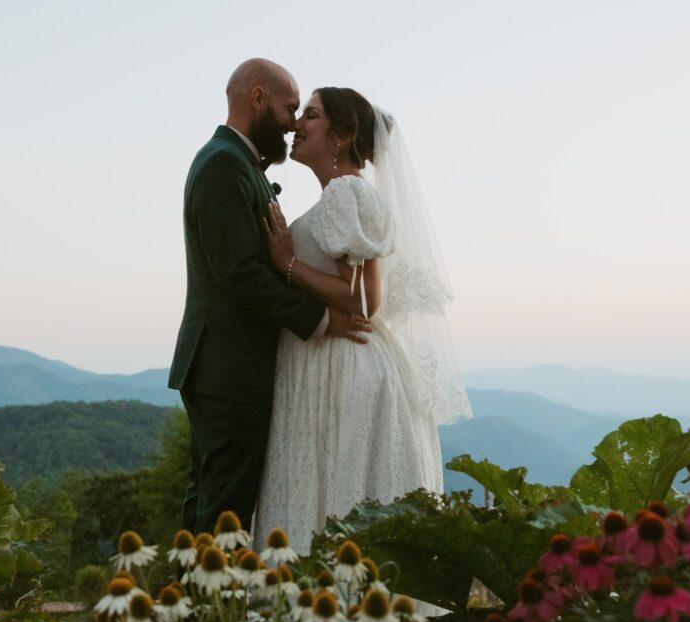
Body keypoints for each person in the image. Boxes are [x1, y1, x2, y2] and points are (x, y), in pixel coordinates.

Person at [256, 87, 472, 553]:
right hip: (333, 359)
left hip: (342, 366)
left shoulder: (345, 191)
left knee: (335, 490)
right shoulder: (344, 193)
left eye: (310, 116)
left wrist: (287, 265)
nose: (297, 125)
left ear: (342, 135)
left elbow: (364, 297)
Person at [168, 60, 372, 537]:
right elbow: (239, 273)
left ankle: (193, 605)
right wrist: (322, 319)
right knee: (224, 512)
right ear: (257, 99)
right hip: (227, 366)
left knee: (212, 503)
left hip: (227, 365)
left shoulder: (238, 164)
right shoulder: (223, 164)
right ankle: (207, 607)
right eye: (288, 108)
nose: (292, 122)